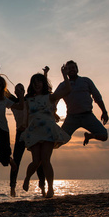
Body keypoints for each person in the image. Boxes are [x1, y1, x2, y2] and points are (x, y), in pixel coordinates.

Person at [0, 64, 46, 197]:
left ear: (25, 90)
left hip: (33, 132)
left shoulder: (29, 99)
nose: (20, 90)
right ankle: (12, 187)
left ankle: (43, 186)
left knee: (39, 160)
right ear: (15, 92)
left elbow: (43, 93)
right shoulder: (13, 101)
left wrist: (45, 75)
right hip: (20, 133)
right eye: (17, 89)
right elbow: (3, 90)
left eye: (22, 88)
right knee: (16, 160)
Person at [21, 65, 71, 198]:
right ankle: (27, 178)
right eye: (34, 82)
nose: (37, 84)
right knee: (36, 161)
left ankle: (50, 188)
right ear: (31, 85)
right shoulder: (28, 100)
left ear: (44, 84)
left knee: (46, 160)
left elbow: (67, 89)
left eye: (40, 82)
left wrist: (64, 74)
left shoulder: (50, 97)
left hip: (48, 131)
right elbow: (26, 117)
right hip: (34, 131)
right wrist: (25, 130)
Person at [56, 60, 108, 146]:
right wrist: (54, 112)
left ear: (77, 69)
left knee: (104, 135)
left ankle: (89, 136)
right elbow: (54, 98)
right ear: (66, 71)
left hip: (87, 116)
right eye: (69, 68)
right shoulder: (63, 85)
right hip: (72, 118)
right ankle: (43, 158)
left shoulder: (86, 81)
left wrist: (104, 112)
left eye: (73, 68)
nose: (71, 70)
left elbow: (97, 97)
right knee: (59, 141)